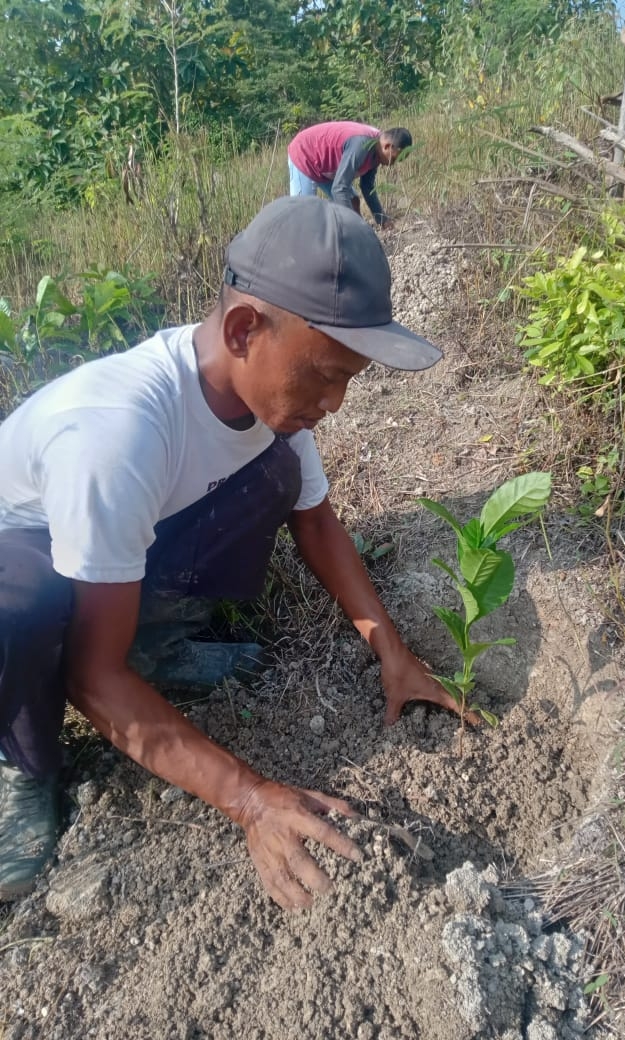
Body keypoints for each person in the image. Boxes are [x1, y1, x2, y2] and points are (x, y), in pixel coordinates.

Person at [0, 195, 462, 911]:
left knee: (274, 476)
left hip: (112, 541)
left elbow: (317, 524)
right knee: (22, 615)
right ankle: (24, 762)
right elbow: (94, 678)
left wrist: (390, 651)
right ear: (246, 329)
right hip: (19, 548)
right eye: (326, 373)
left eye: (348, 380)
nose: (335, 402)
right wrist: (251, 800)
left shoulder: (267, 403)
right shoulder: (117, 433)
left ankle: (153, 646)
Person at [287, 121, 412, 228]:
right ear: (388, 147)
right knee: (303, 215)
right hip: (304, 153)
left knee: (353, 202)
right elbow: (339, 189)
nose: (393, 163)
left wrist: (382, 219)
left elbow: (367, 187)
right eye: (395, 159)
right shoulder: (362, 145)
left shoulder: (377, 153)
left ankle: (352, 235)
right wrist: (351, 227)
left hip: (326, 167)